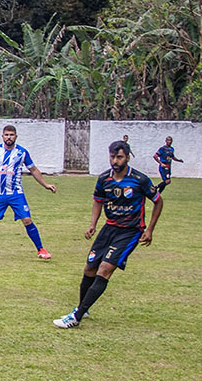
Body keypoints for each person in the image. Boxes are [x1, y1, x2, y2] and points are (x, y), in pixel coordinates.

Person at [54, 140, 163, 328]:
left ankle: (76, 317)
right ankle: (83, 308)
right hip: (109, 228)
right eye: (112, 157)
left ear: (127, 158)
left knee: (104, 269)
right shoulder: (104, 178)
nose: (115, 161)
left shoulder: (139, 179)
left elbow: (158, 201)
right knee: (89, 268)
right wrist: (93, 225)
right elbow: (98, 201)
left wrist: (150, 229)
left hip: (130, 231)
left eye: (119, 157)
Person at [0, 125, 57, 260]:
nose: (9, 137)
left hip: (16, 194)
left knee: (27, 219)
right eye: (6, 135)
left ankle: (41, 250)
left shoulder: (22, 153)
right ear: (2, 136)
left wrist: (46, 185)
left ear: (16, 136)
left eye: (11, 135)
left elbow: (33, 170)